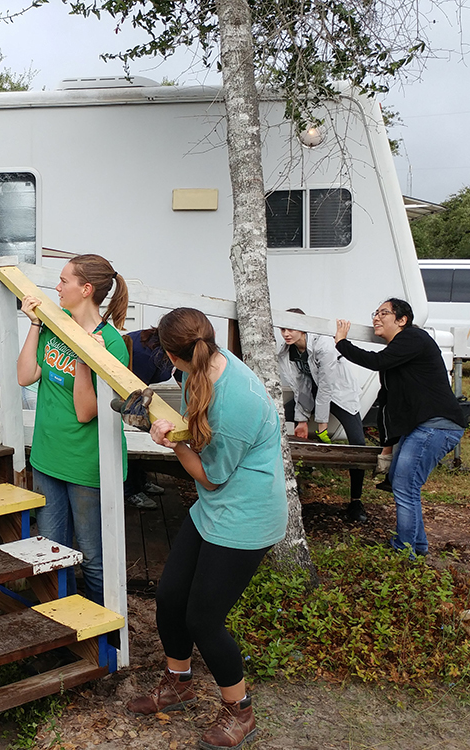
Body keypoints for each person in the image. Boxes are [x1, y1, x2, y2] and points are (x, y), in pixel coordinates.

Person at [126, 308, 287, 750]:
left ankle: (241, 710)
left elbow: (210, 475)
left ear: (174, 355)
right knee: (170, 596)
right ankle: (178, 683)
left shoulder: (236, 401)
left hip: (246, 517)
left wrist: (171, 442)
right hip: (215, 509)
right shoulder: (203, 365)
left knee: (203, 619)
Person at [17, 254, 130, 606]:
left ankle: (104, 636)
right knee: (51, 552)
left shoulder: (110, 344)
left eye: (64, 281)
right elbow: (26, 376)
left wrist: (84, 358)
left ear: (86, 289)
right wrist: (35, 324)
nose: (57, 287)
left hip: (87, 465)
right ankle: (60, 625)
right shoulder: (56, 322)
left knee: (93, 557)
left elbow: (85, 412)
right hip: (48, 456)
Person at [335, 298, 466, 557]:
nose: (376, 318)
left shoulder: (413, 338)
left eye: (384, 313)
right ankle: (417, 546)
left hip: (437, 426)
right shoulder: (399, 356)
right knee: (399, 481)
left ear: (402, 320)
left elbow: (375, 361)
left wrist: (341, 343)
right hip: (419, 427)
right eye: (375, 313)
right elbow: (388, 406)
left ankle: (404, 551)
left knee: (405, 486)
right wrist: (388, 445)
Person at [277, 308, 368, 522]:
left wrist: (321, 425)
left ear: (304, 326)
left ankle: (356, 501)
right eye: (282, 329)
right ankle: (287, 488)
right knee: (275, 416)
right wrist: (300, 419)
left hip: (339, 393)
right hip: (312, 392)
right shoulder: (288, 351)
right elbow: (301, 385)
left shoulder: (324, 345)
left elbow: (326, 386)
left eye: (291, 328)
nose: (286, 334)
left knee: (358, 442)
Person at [121, 327, 175, 509]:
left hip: (139, 387)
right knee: (132, 436)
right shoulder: (146, 356)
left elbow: (181, 374)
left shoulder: (161, 343)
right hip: (126, 393)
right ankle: (130, 490)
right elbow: (134, 390)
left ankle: (141, 482)